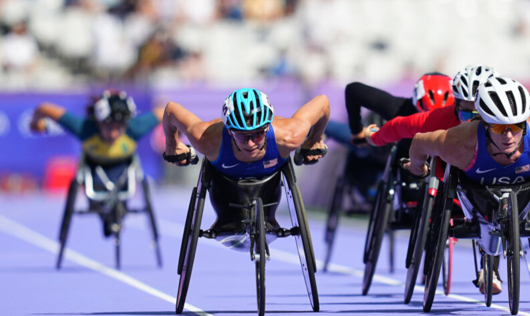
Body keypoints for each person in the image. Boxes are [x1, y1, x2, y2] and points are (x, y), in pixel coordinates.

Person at [403, 76, 530, 294]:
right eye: (498, 128)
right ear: (484, 125)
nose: (508, 136)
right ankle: (489, 265)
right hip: (474, 190)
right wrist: (417, 167)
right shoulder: (458, 142)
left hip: (522, 187)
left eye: (515, 127)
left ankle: (492, 267)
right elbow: (419, 141)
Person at [30, 89, 164, 235]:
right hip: (94, 177)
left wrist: (174, 138)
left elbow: (167, 112)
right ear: (97, 121)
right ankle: (107, 217)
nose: (113, 134)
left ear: (126, 123)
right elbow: (43, 108)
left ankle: (116, 217)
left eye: (119, 127)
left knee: (122, 197)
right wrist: (36, 124)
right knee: (98, 199)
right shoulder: (84, 128)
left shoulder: (135, 128)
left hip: (123, 178)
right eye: (108, 126)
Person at [363, 65, 530, 147]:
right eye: (466, 115)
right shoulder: (439, 118)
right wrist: (376, 138)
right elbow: (400, 126)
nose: (472, 122)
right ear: (455, 105)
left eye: (482, 116)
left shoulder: (515, 118)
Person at [161, 88, 330, 177]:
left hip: (271, 183)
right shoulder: (205, 138)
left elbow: (323, 102)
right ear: (229, 131)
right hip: (224, 185)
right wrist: (172, 145)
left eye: (257, 134)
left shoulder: (289, 135)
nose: (250, 143)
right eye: (241, 134)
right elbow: (170, 110)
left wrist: (315, 139)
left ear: (266, 128)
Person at [346, 73, 454, 146]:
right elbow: (353, 91)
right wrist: (357, 130)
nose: (432, 126)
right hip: (376, 148)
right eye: (426, 115)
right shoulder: (400, 109)